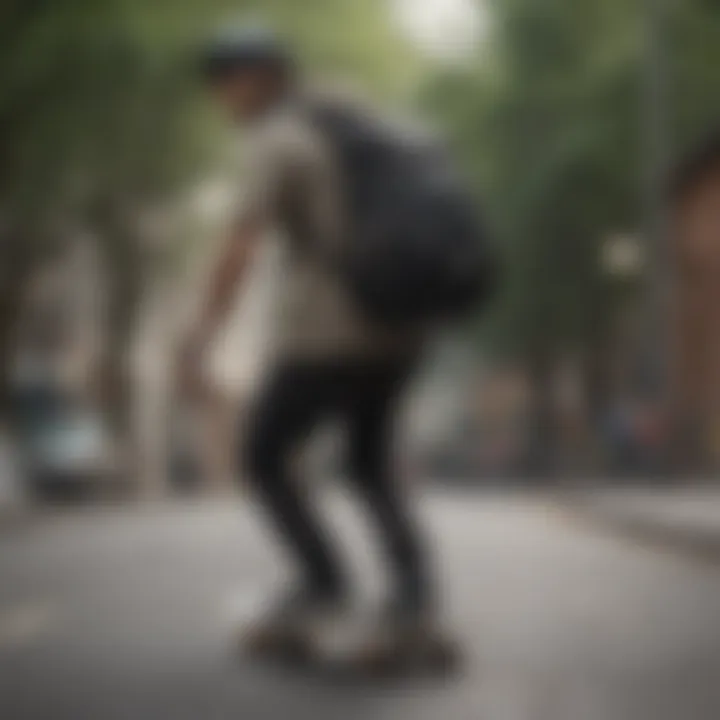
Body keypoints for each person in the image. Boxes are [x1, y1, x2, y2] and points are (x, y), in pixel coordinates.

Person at [180, 25, 444, 658]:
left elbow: (240, 244)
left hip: (326, 333)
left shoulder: (279, 138)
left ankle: (324, 585)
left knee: (264, 455)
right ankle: (412, 598)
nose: (222, 100)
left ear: (251, 78)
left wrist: (199, 337)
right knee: (368, 464)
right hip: (402, 328)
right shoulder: (359, 120)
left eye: (223, 84)